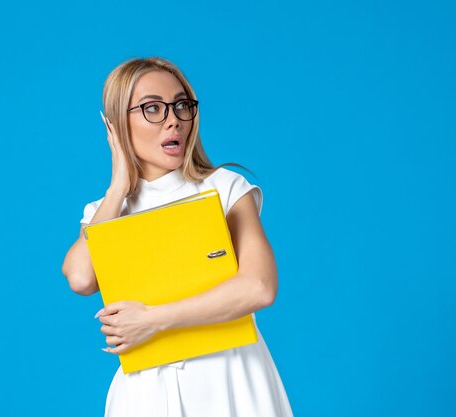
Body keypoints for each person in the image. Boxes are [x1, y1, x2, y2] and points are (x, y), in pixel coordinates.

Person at [62, 57, 293, 417]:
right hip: (147, 391)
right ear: (116, 124)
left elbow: (259, 287)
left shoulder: (224, 187)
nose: (173, 120)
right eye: (152, 108)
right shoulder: (104, 212)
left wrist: (153, 320)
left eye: (181, 105)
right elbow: (81, 277)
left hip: (230, 377)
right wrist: (118, 187)